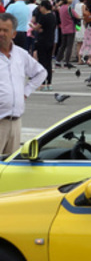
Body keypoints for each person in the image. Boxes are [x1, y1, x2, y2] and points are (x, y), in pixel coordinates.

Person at [0, 12, 45, 156]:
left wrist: (25, 92)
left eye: (5, 30)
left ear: (13, 34)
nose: (1, 33)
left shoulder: (21, 54)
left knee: (11, 169)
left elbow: (41, 72)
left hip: (15, 123)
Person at [31, 0, 57, 90]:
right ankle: (49, 83)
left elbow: (37, 28)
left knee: (42, 62)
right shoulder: (53, 16)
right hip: (51, 40)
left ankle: (42, 83)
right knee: (49, 62)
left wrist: (32, 26)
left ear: (44, 7)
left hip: (42, 41)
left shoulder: (44, 17)